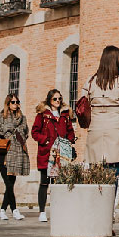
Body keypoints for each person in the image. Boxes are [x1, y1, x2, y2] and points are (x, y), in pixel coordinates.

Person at [81, 45, 119, 176]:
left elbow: (81, 105)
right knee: (113, 177)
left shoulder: (91, 81)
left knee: (96, 177)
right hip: (117, 129)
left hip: (95, 129)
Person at [32, 88, 76, 223]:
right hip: (47, 153)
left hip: (61, 154)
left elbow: (70, 131)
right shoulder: (42, 115)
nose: (58, 101)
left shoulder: (64, 115)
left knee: (59, 183)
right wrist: (44, 139)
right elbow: (35, 132)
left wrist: (70, 141)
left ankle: (58, 210)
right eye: (55, 99)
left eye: (59, 99)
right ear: (49, 100)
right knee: (45, 182)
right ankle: (42, 212)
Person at [0, 92, 30, 221]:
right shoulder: (0, 117)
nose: (16, 105)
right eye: (13, 102)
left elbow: (26, 133)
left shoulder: (22, 118)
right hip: (4, 154)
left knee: (10, 184)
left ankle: (2, 210)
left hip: (17, 154)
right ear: (8, 103)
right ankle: (15, 210)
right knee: (8, 183)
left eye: (17, 102)